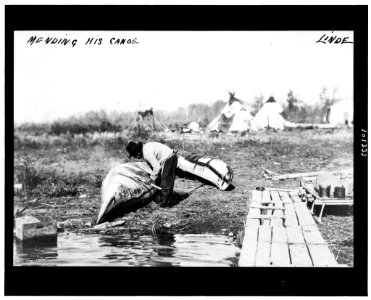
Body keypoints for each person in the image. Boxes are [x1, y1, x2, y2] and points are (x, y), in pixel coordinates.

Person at [126, 141, 178, 208]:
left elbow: (157, 168)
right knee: (159, 180)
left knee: (166, 182)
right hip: (166, 158)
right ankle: (160, 199)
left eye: (134, 155)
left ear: (138, 153)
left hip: (169, 158)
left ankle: (165, 205)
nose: (136, 158)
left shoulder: (147, 153)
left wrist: (151, 179)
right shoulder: (145, 149)